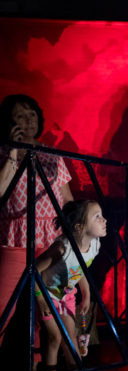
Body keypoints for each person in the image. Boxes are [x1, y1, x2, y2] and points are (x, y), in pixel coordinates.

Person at [0, 94, 74, 327]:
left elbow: (67, 198)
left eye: (32, 114)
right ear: (9, 123)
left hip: (51, 240)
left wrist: (73, 237)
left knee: (49, 311)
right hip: (16, 239)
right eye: (20, 116)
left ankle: (40, 363)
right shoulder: (2, 152)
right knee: (4, 308)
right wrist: (13, 152)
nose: (29, 120)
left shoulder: (52, 154)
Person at [36, 199, 106, 371]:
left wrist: (86, 292)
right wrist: (41, 299)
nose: (104, 220)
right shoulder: (62, 249)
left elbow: (80, 268)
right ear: (79, 227)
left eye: (102, 215)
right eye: (97, 217)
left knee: (71, 341)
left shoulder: (95, 245)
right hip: (46, 294)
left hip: (66, 296)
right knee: (55, 338)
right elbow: (33, 270)